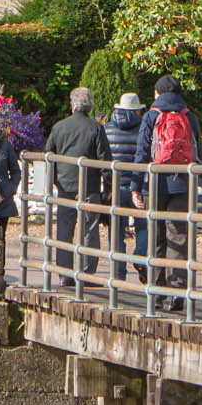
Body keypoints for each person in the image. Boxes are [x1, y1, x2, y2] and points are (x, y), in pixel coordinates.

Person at [136, 76, 202, 301]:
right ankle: (177, 291)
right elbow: (199, 150)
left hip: (154, 183)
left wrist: (136, 185)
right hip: (183, 182)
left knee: (156, 235)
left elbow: (142, 152)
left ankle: (156, 289)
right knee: (179, 235)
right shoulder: (189, 116)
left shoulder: (151, 116)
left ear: (158, 93)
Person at [43, 86, 109, 287]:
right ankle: (87, 273)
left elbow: (49, 156)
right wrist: (108, 186)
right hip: (89, 186)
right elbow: (105, 159)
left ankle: (64, 274)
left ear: (72, 105)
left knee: (64, 228)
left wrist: (53, 181)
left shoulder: (59, 127)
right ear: (90, 106)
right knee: (90, 229)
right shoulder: (96, 128)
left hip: (65, 185)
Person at [103, 90, 147, 282]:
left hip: (116, 186)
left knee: (116, 231)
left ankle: (118, 273)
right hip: (139, 186)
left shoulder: (107, 128)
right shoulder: (144, 129)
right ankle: (140, 256)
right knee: (143, 227)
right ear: (137, 111)